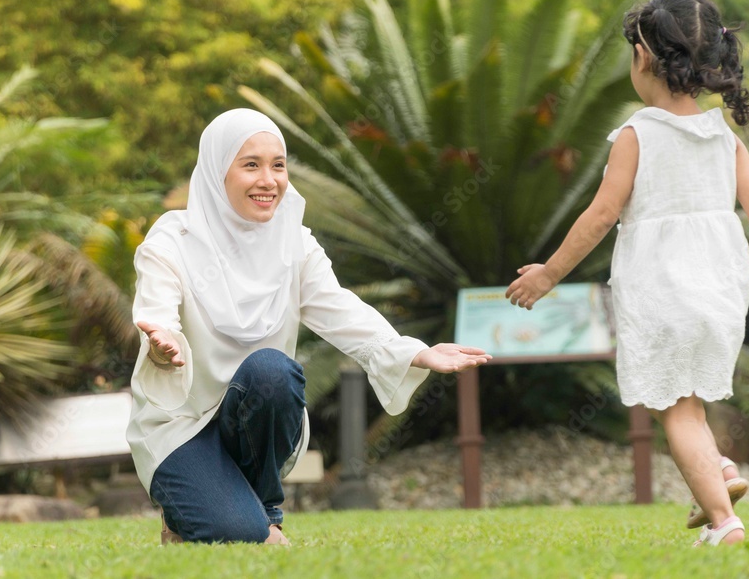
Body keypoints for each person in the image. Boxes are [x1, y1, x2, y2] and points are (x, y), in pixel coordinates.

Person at [127, 108, 491, 545]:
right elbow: (158, 309)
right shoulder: (173, 241)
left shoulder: (294, 241)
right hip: (180, 426)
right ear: (215, 171)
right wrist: (163, 341)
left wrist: (414, 351)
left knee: (272, 370)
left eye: (278, 165)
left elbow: (340, 309)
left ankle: (263, 511)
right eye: (250, 165)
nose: (269, 180)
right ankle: (202, 514)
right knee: (238, 536)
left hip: (253, 416)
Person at [505, 0, 749, 547]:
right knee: (676, 399)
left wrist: (549, 274)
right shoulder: (723, 137)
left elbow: (601, 214)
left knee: (674, 408)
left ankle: (724, 522)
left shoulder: (637, 135)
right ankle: (717, 469)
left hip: (661, 290)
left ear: (643, 58)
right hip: (721, 291)